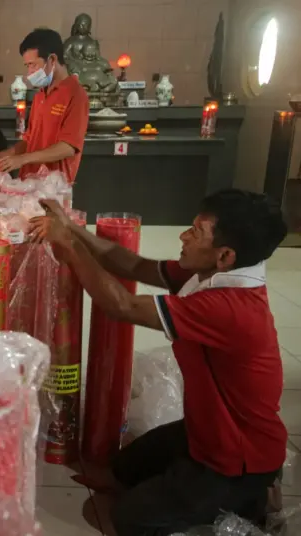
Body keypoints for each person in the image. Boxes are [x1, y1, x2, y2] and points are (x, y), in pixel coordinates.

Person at [28, 189, 288, 536]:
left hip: (237, 460)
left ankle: (250, 502)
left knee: (132, 518)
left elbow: (121, 305)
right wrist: (71, 228)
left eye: (196, 232)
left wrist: (69, 247)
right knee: (122, 470)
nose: (183, 235)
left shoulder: (230, 307)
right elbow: (131, 264)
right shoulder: (209, 274)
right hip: (203, 430)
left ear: (224, 255)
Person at [0, 28, 89, 182]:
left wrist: (22, 159)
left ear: (52, 60)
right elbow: (27, 142)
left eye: (33, 65)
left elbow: (68, 147)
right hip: (28, 184)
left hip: (53, 188)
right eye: (27, 66)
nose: (29, 73)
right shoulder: (40, 95)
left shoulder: (75, 94)